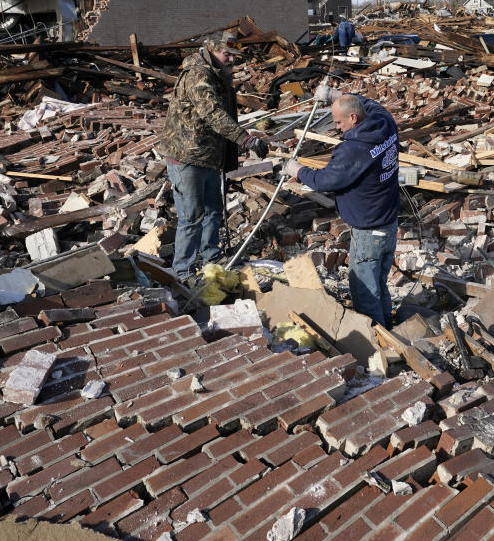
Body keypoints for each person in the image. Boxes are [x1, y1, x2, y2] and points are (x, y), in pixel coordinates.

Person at [283, 88, 400, 328]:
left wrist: (296, 170)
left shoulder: (352, 150)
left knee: (365, 290)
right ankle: (388, 325)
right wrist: (335, 94)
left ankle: (376, 338)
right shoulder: (384, 122)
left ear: (353, 118)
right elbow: (371, 102)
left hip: (369, 229)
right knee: (379, 281)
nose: (336, 127)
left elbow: (324, 180)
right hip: (389, 221)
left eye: (338, 122)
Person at [160, 31, 269, 280]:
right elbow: (213, 114)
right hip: (187, 156)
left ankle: (212, 256)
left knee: (213, 211)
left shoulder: (219, 73)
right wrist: (246, 139)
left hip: (208, 154)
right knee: (191, 216)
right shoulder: (199, 74)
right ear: (211, 50)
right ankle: (183, 270)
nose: (230, 59)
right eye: (226, 53)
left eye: (233, 55)